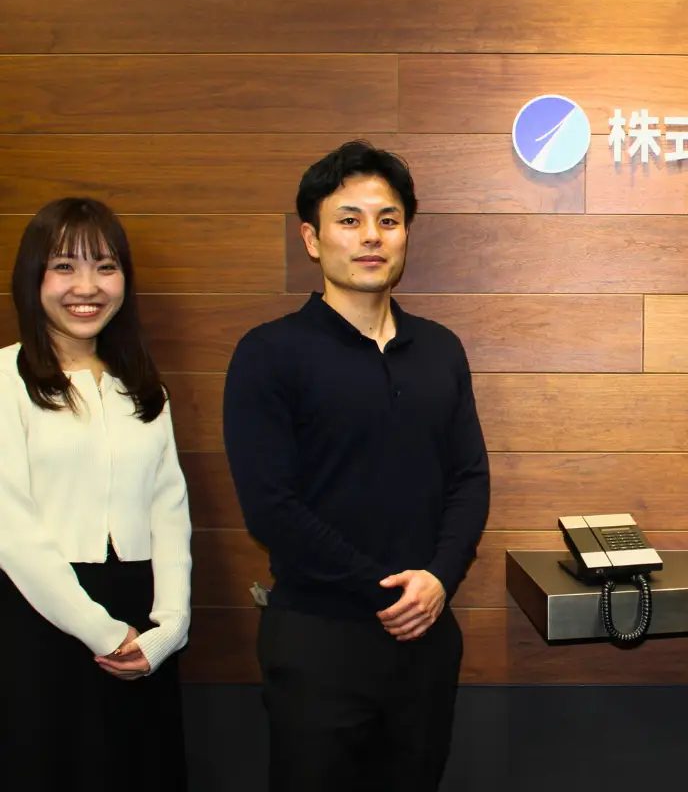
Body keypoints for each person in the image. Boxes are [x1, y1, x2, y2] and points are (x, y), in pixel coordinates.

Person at [222, 140, 490, 792]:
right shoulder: (269, 353)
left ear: (405, 234)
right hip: (318, 640)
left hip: (426, 636)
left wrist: (438, 578)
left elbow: (469, 478)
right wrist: (386, 591)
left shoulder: (440, 349)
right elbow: (271, 508)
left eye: (388, 220)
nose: (372, 235)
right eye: (350, 219)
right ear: (312, 239)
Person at [0, 198, 191, 790]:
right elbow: (11, 528)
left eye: (105, 267)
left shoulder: (143, 386)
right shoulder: (5, 378)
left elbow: (170, 509)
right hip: (39, 618)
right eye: (64, 266)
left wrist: (169, 627)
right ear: (33, 277)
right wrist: (105, 633)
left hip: (142, 624)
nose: (87, 287)